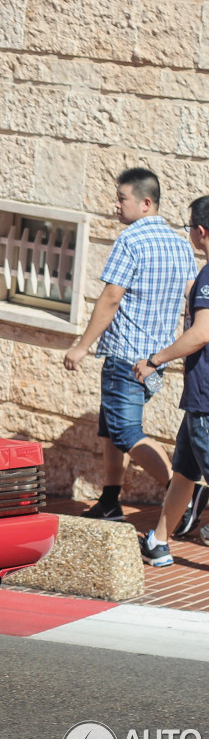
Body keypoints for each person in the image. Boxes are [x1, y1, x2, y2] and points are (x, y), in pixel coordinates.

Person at [64, 168, 197, 520]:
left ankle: (184, 491)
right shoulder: (179, 243)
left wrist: (81, 347)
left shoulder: (131, 240)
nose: (116, 205)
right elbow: (190, 298)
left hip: (126, 356)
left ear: (145, 203)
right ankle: (110, 500)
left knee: (125, 431)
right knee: (110, 427)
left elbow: (111, 298)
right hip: (156, 359)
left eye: (122, 198)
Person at [134, 195, 209, 566]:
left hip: (206, 399)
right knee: (184, 472)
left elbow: (201, 334)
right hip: (198, 402)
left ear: (200, 231)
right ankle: (158, 543)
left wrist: (154, 360)